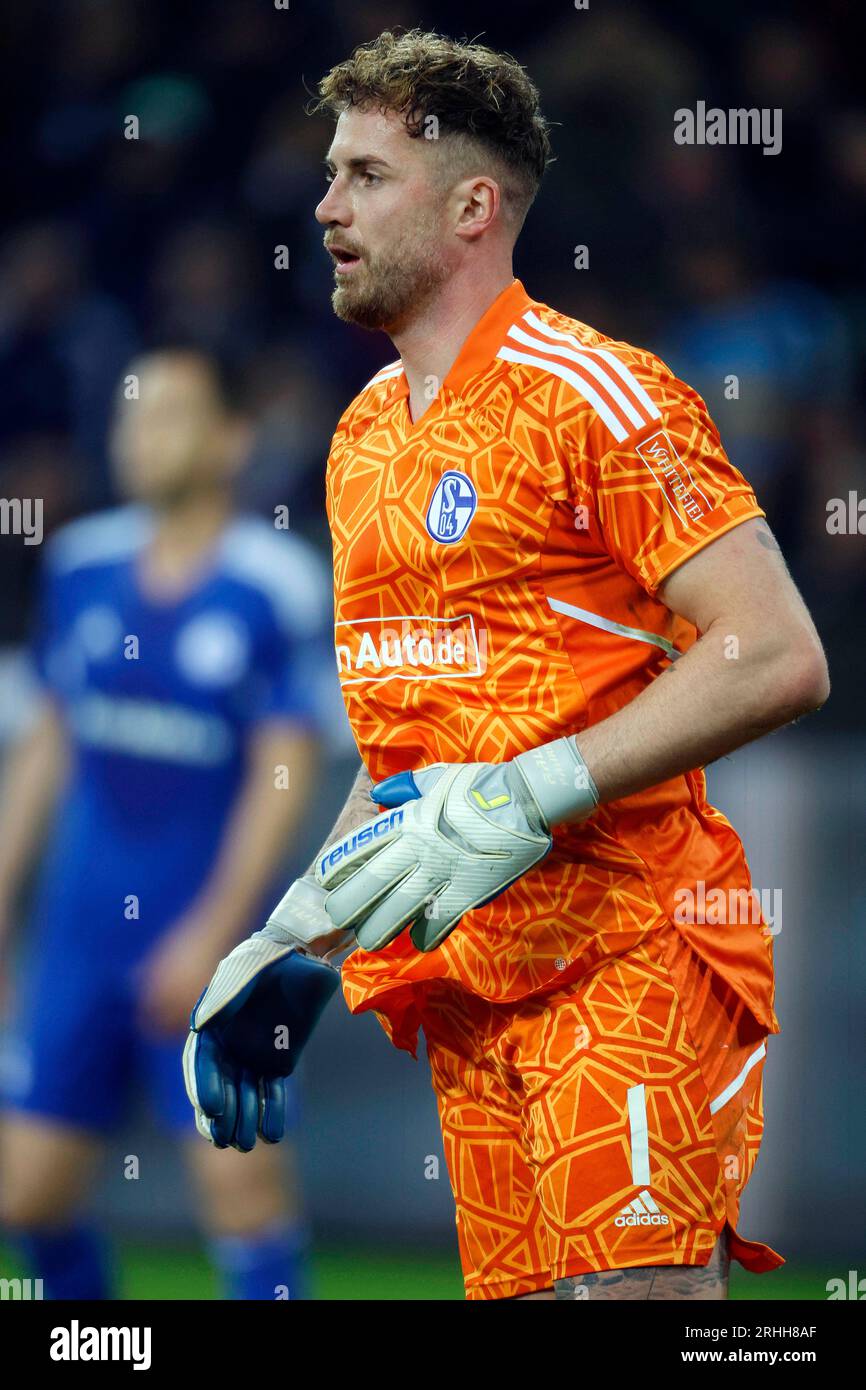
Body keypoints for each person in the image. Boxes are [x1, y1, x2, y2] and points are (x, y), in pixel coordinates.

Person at [185, 30, 830, 1301]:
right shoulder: (363, 437)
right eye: (329, 174)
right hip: (475, 982)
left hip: (629, 944)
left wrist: (528, 790)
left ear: (473, 205)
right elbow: (399, 751)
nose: (323, 208)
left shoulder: (598, 394)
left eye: (366, 175)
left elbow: (776, 653)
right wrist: (303, 934)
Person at [0, 347, 334, 1300]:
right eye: (129, 414)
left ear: (230, 440)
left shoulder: (275, 583)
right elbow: (47, 746)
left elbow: (286, 769)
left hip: (218, 941)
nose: (141, 436)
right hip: (78, 933)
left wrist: (217, 934)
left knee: (243, 1191)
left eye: (171, 414)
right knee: (27, 1194)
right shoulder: (80, 565)